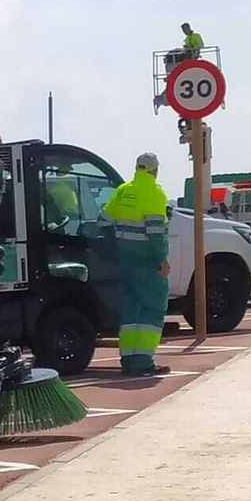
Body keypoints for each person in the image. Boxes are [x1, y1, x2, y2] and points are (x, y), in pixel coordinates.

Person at [102, 152, 172, 376]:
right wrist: (162, 259)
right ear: (155, 170)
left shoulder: (122, 190)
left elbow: (103, 221)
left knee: (130, 310)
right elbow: (155, 231)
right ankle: (143, 361)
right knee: (153, 307)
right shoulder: (154, 193)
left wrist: (115, 248)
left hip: (125, 260)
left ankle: (128, 360)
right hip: (147, 260)